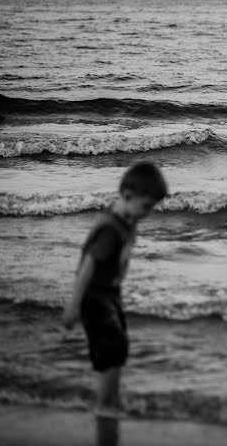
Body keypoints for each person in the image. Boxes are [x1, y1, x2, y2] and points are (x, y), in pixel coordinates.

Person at [63, 161, 168, 421]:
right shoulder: (111, 228)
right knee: (111, 348)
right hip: (94, 296)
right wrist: (74, 306)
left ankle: (112, 400)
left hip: (109, 295)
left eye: (152, 207)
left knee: (116, 348)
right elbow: (88, 265)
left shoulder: (127, 221)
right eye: (146, 206)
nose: (148, 212)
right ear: (128, 196)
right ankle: (103, 404)